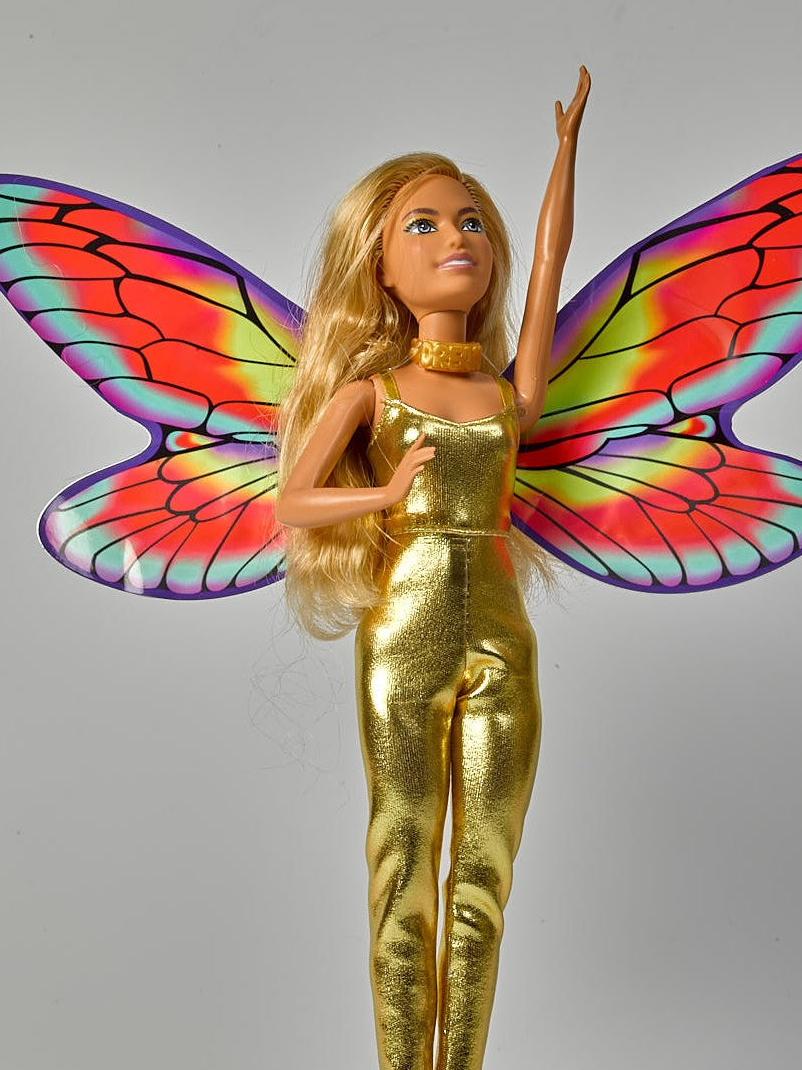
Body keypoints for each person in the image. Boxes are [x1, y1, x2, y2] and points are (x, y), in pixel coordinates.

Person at [275, 67, 590, 1070]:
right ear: (377, 264)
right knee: (401, 862)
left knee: (485, 872)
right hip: (403, 637)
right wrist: (381, 492)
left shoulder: (507, 395)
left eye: (470, 222)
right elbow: (291, 499)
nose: (458, 237)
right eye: (424, 224)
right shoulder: (371, 392)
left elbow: (550, 266)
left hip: (503, 639)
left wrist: (564, 154)